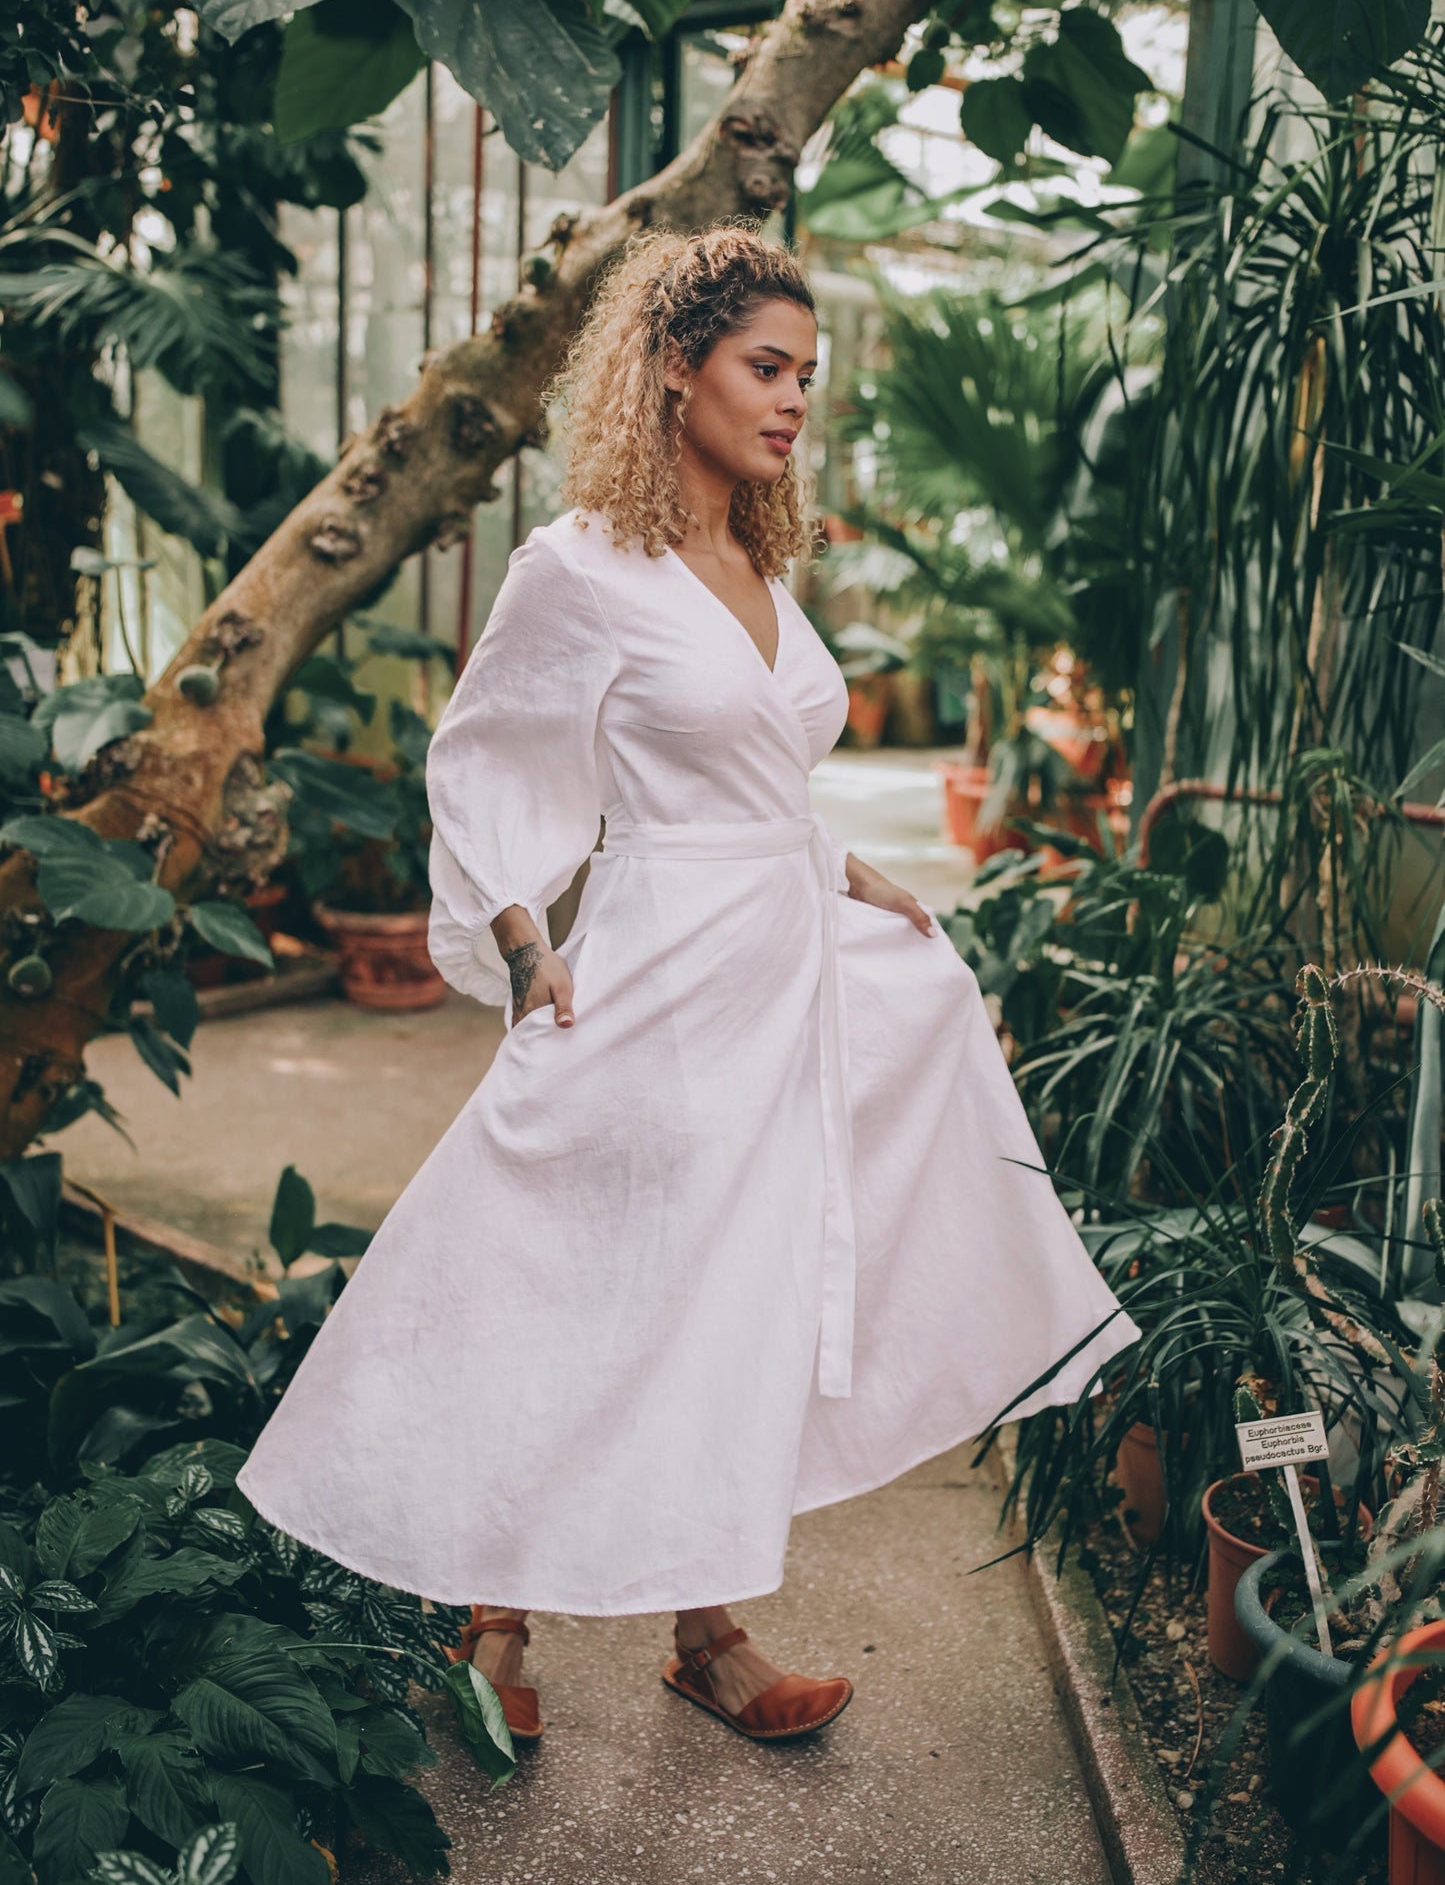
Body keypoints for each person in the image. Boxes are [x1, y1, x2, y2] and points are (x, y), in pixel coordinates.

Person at [236, 224, 1140, 1748]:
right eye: (764, 367)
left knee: (744, 1293)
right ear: (674, 367)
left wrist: (851, 872)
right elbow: (485, 759)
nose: (793, 401)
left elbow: (760, 776)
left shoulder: (760, 563)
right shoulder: (580, 567)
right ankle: (495, 1620)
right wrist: (525, 950)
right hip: (656, 977)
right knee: (573, 1280)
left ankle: (706, 1633)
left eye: (805, 374)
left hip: (784, 975)